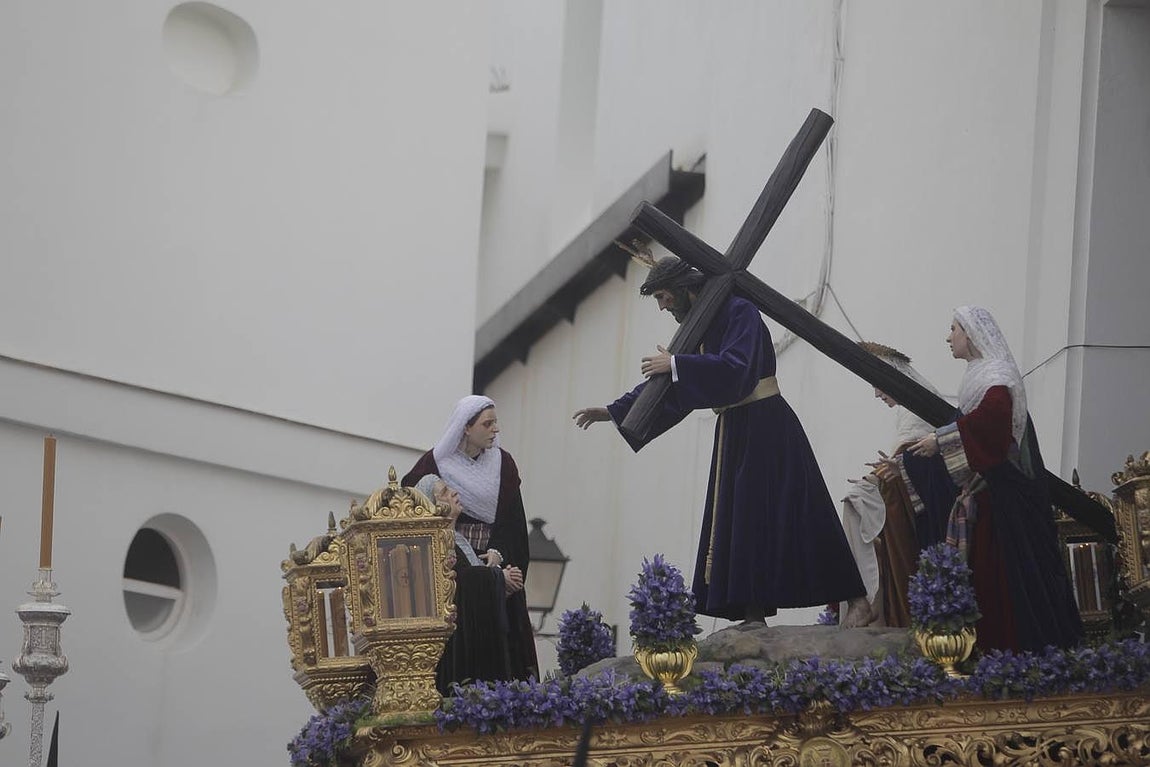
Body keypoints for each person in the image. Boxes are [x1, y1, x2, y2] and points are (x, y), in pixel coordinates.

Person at [573, 255, 865, 623]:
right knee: (742, 519)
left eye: (664, 297)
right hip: (736, 429)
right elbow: (673, 390)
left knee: (802, 512)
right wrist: (614, 411)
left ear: (682, 288)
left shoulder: (739, 311)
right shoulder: (701, 326)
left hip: (768, 424)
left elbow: (736, 369)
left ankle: (856, 601)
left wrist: (678, 365)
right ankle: (753, 613)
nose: (663, 307)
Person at [904, 305, 1083, 651]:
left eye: (953, 328)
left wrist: (940, 440)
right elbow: (970, 429)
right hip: (989, 494)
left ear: (971, 334)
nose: (948, 336)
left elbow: (991, 423)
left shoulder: (997, 376)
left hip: (1007, 502)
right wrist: (923, 453)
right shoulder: (978, 376)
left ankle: (1013, 655)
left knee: (1002, 576)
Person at [402, 395, 540, 680]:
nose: (495, 430)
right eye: (487, 424)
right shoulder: (435, 464)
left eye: (495, 423)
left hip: (495, 562)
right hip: (453, 566)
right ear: (466, 427)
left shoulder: (504, 464)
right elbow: (411, 501)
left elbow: (512, 521)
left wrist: (499, 553)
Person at [840, 342, 957, 628]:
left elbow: (916, 460)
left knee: (858, 502)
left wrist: (890, 473)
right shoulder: (909, 411)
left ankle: (871, 605)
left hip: (926, 512)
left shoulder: (917, 410)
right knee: (857, 500)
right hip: (910, 496)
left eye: (879, 384)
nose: (877, 393)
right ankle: (866, 602)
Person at [413, 474, 524, 692]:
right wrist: (497, 578)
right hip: (458, 651)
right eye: (444, 492)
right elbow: (457, 583)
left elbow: (473, 584)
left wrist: (503, 584)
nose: (453, 492)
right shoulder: (434, 544)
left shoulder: (457, 539)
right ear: (432, 506)